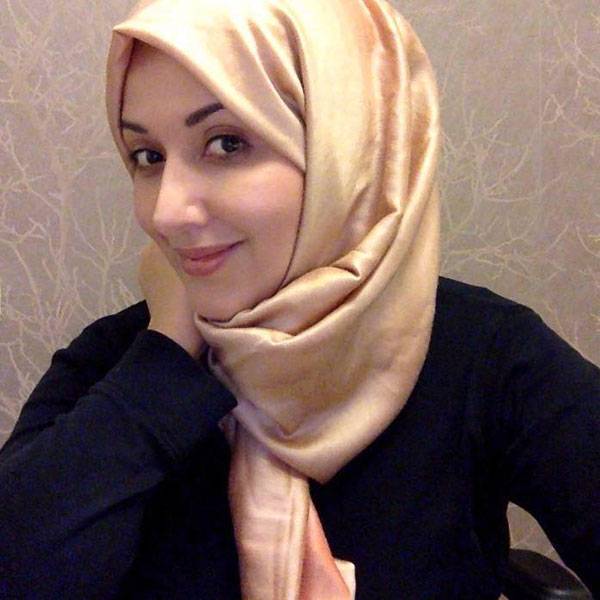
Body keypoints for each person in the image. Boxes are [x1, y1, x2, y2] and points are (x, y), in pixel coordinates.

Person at [0, 0, 598, 598]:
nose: (167, 213)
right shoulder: (117, 363)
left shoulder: (483, 354)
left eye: (226, 143)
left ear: (349, 151)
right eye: (148, 157)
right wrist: (167, 354)